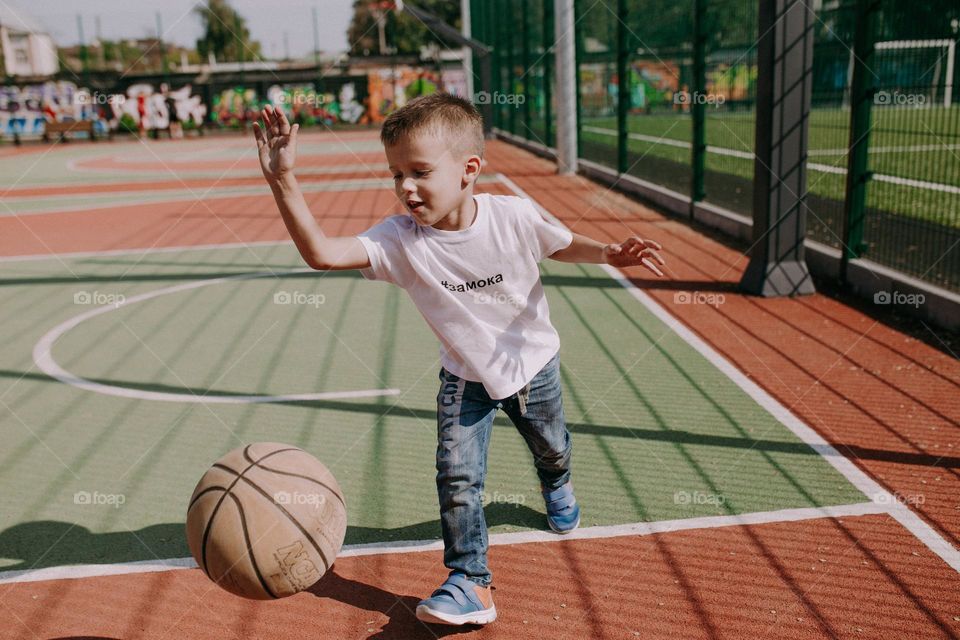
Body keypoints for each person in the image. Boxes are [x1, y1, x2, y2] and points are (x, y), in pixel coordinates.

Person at [253, 93, 665, 626]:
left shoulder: (512, 215)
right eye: (395, 173)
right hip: (464, 377)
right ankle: (470, 582)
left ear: (469, 169)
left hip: (533, 365)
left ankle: (556, 479)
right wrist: (281, 178)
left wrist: (609, 252)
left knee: (551, 445)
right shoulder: (400, 240)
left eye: (420, 171)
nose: (405, 187)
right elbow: (322, 255)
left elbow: (558, 244)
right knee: (457, 477)